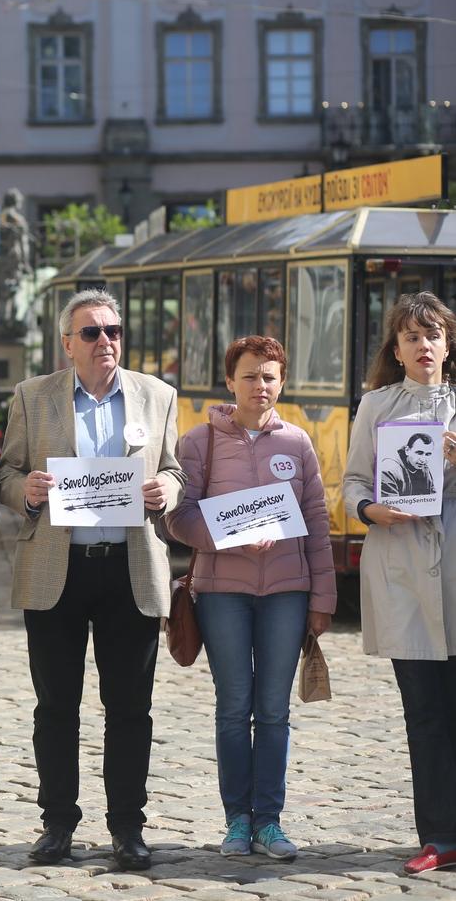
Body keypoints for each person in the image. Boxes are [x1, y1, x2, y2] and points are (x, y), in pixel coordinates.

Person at [0, 288, 184, 871]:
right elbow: (9, 470)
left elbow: (174, 467)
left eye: (114, 331)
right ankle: (57, 825)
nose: (106, 342)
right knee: (56, 707)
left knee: (130, 707)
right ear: (67, 344)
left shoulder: (157, 396)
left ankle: (128, 827)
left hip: (129, 569)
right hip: (58, 569)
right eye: (92, 333)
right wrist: (21, 492)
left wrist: (167, 490)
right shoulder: (32, 396)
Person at [165, 336, 335, 861]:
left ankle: (270, 821)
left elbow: (317, 524)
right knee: (234, 708)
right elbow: (178, 517)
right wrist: (228, 536)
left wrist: (322, 598)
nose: (259, 386)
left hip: (287, 591)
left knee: (274, 710)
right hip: (223, 594)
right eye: (249, 376)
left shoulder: (299, 444)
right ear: (230, 382)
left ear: (280, 382)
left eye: (269, 376)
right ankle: (237, 820)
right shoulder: (200, 442)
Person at [342, 292, 456, 876]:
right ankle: (438, 834)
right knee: (426, 714)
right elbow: (353, 482)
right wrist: (369, 511)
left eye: (432, 335)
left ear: (447, 342)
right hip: (406, 577)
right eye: (411, 337)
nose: (423, 346)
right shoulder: (378, 406)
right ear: (397, 348)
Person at [379, 432, 436, 497]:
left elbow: (432, 497)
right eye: (419, 453)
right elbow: (389, 505)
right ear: (407, 450)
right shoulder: (389, 470)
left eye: (428, 454)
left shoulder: (424, 468)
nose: (423, 460)